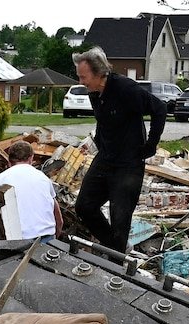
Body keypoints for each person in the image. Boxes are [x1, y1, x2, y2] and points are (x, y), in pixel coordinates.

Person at [71, 47, 167, 252]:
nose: (81, 82)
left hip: (128, 165)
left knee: (120, 220)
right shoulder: (94, 92)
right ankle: (115, 248)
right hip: (105, 159)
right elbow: (105, 120)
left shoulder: (125, 88)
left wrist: (151, 144)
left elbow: (159, 108)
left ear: (98, 73)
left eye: (83, 77)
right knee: (84, 206)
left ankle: (116, 264)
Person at [0, 140, 62, 240]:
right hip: (46, 240)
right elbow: (59, 220)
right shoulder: (43, 179)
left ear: (9, 161)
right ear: (31, 158)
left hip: (16, 243)